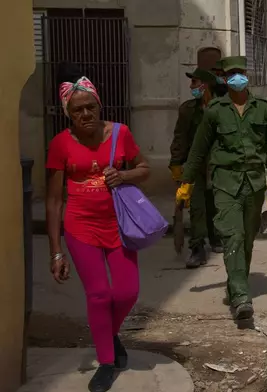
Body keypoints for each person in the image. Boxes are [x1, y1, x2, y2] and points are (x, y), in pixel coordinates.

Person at [46, 66, 150, 392]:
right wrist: (56, 252)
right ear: (68, 114)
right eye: (78, 109)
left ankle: (108, 332)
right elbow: (52, 202)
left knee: (127, 292)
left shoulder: (120, 133)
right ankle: (106, 361)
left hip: (119, 224)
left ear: (99, 105)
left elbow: (145, 169)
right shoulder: (60, 144)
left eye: (91, 106)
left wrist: (125, 176)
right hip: (80, 227)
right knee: (99, 294)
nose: (86, 113)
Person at [176, 56, 267, 320]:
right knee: (232, 237)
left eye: (240, 72)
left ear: (248, 75)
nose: (236, 77)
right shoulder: (215, 110)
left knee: (247, 239)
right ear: (224, 78)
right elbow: (199, 149)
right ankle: (240, 295)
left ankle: (237, 282)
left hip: (255, 183)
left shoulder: (263, 109)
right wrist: (186, 181)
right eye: (231, 73)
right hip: (225, 182)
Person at [169, 67, 223, 268]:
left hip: (218, 164)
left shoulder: (221, 108)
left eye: (195, 82)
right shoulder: (187, 110)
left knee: (215, 204)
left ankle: (216, 238)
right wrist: (176, 163)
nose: (191, 86)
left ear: (205, 85)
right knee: (197, 206)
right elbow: (180, 138)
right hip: (195, 165)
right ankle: (197, 248)